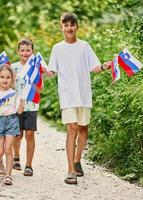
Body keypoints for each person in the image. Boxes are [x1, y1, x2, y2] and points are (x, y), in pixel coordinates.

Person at [44, 12, 111, 185]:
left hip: (84, 94)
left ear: (77, 27)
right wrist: (41, 71)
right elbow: (52, 72)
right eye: (66, 25)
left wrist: (104, 66)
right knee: (72, 128)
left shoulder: (84, 46)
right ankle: (70, 171)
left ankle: (77, 160)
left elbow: (94, 67)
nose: (69, 28)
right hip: (67, 95)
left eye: (72, 25)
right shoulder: (57, 48)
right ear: (62, 28)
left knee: (83, 129)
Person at [0, 64, 25, 185]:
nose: (5, 80)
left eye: (8, 77)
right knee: (0, 151)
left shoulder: (14, 94)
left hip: (12, 121)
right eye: (2, 77)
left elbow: (19, 111)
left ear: (11, 79)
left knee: (8, 149)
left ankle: (8, 175)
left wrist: (22, 102)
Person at [11, 37, 42, 176]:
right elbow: (9, 87)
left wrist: (34, 81)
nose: (25, 53)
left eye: (28, 50)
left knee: (29, 133)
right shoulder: (13, 67)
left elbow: (40, 89)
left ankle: (29, 165)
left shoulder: (36, 68)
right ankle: (16, 157)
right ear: (18, 51)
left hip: (32, 105)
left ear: (32, 51)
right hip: (17, 106)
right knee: (18, 134)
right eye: (22, 50)